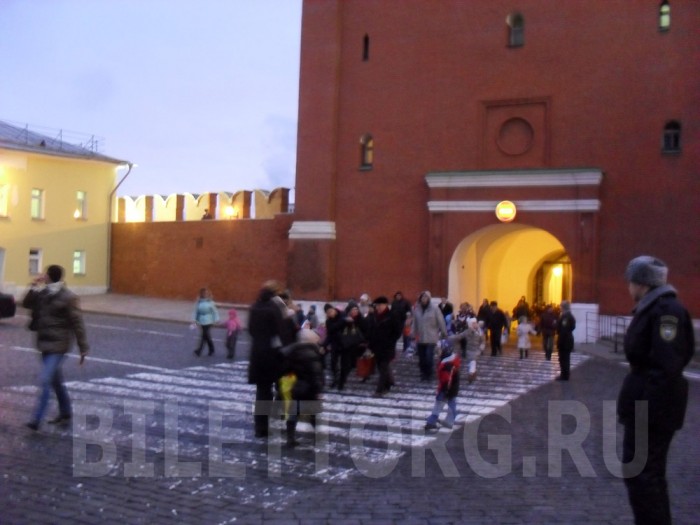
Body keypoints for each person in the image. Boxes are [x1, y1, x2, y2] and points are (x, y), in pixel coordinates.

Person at [617, 256, 694, 525]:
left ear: (642, 283)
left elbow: (667, 364)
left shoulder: (665, 312)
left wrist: (646, 411)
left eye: (630, 281)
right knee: (646, 473)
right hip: (648, 403)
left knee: (643, 473)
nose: (628, 287)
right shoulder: (655, 308)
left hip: (651, 408)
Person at [22, 265, 89, 430]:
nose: (43, 276)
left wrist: (83, 347)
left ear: (50, 276)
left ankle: (36, 419)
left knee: (45, 379)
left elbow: (77, 323)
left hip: (59, 345)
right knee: (55, 380)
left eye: (45, 274)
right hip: (44, 343)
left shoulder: (68, 297)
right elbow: (27, 303)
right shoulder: (43, 293)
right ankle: (66, 412)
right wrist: (33, 285)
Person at [247, 281, 286, 438]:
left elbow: (251, 330)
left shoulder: (254, 307)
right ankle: (278, 412)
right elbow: (280, 330)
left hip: (257, 353)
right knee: (279, 385)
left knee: (262, 391)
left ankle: (260, 428)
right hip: (272, 353)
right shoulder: (274, 308)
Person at [279, 328, 325, 447]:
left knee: (294, 413)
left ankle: (290, 438)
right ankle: (317, 436)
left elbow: (284, 369)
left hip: (297, 387)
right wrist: (319, 390)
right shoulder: (312, 354)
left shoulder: (294, 352)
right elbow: (316, 374)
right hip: (310, 388)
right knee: (313, 413)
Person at [366, 296, 402, 397]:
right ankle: (388, 385)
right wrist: (370, 343)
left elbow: (398, 331)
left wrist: (391, 341)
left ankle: (379, 390)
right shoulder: (374, 316)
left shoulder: (392, 315)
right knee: (381, 367)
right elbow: (371, 330)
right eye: (377, 305)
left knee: (383, 368)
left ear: (386, 305)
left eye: (380, 305)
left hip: (387, 347)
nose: (378, 307)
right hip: (376, 347)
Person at [424, 340, 461, 431]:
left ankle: (432, 421)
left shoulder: (447, 364)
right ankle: (449, 421)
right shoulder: (450, 361)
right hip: (451, 387)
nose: (438, 351)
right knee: (451, 403)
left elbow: (447, 379)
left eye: (439, 349)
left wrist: (444, 389)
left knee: (439, 404)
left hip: (446, 388)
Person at [412, 291, 447, 381]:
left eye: (426, 297)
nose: (424, 299)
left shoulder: (435, 309)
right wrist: (412, 334)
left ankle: (429, 374)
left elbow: (441, 321)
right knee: (422, 358)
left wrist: (444, 332)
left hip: (431, 337)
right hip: (420, 338)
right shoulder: (417, 310)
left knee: (428, 356)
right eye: (422, 297)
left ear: (429, 299)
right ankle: (423, 373)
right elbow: (414, 323)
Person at [336, 301, 368, 390]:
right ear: (349, 311)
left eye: (356, 309)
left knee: (352, 364)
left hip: (356, 346)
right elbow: (338, 330)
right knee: (344, 365)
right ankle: (341, 383)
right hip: (346, 346)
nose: (355, 311)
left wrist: (364, 341)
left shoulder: (361, 319)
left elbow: (366, 331)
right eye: (353, 310)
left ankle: (346, 378)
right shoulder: (344, 319)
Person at [192, 288, 220, 356]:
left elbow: (215, 311)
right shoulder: (199, 302)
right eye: (204, 293)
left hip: (209, 320)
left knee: (204, 335)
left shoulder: (211, 302)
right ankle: (211, 349)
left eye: (206, 293)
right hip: (201, 320)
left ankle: (199, 350)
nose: (205, 294)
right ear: (201, 294)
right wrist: (194, 320)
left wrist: (216, 319)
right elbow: (196, 311)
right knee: (206, 336)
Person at [555, 300, 576, 380]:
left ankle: (564, 375)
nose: (560, 308)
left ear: (563, 307)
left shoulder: (566, 317)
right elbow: (572, 327)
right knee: (564, 358)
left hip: (565, 340)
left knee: (564, 358)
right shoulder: (569, 316)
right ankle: (564, 374)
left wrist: (560, 341)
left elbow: (564, 329)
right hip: (568, 339)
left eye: (561, 306)